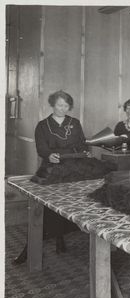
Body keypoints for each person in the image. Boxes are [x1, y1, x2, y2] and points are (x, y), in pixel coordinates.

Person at [14, 90, 88, 264]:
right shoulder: (42, 125)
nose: (63, 108)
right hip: (51, 167)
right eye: (59, 105)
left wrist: (80, 154)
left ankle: (61, 236)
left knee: (72, 203)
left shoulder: (75, 123)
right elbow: (41, 147)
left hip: (73, 167)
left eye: (66, 105)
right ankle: (34, 247)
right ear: (52, 105)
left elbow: (81, 143)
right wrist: (49, 156)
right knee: (47, 207)